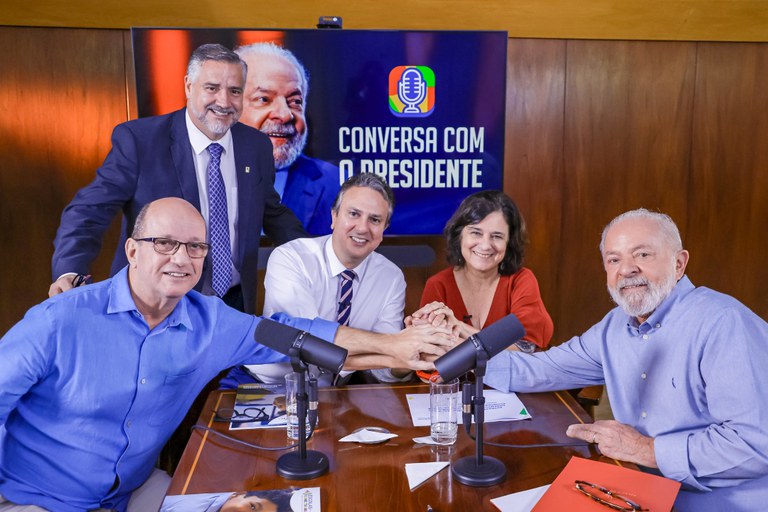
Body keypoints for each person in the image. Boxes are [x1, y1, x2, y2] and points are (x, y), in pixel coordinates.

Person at [0, 198, 452, 512]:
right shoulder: (60, 319)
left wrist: (395, 348)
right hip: (38, 496)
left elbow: (298, 335)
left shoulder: (209, 319)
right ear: (132, 251)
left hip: (132, 492)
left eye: (196, 247)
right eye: (166, 244)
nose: (182, 258)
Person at [482, 208, 768, 511]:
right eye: (614, 259)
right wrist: (452, 359)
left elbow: (755, 444)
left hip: (715, 501)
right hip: (633, 486)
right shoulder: (616, 324)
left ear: (679, 263)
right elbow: (543, 368)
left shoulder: (724, 324)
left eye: (642, 255)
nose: (627, 269)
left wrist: (646, 450)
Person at [48, 43, 306, 314]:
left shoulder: (255, 145)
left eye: (235, 91)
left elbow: (272, 212)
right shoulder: (140, 141)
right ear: (188, 86)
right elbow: (90, 210)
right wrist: (69, 270)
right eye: (211, 88)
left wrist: (319, 257)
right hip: (156, 304)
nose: (224, 101)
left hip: (233, 304)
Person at [225, 173, 411, 388]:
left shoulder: (391, 277)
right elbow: (309, 344)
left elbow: (384, 370)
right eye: (353, 214)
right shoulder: (291, 258)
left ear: (384, 229)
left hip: (333, 393)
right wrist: (393, 346)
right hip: (263, 385)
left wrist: (411, 356)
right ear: (334, 217)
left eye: (375, 220)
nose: (362, 228)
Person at [408, 191, 553, 354]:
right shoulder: (438, 285)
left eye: (496, 236)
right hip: (453, 381)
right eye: (476, 233)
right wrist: (501, 345)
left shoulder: (521, 280)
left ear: (509, 242)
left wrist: (456, 326)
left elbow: (526, 348)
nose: (485, 245)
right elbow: (430, 353)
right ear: (460, 235)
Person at [236, 42, 340, 235]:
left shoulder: (338, 185)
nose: (285, 115)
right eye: (263, 99)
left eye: (295, 102)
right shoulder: (192, 178)